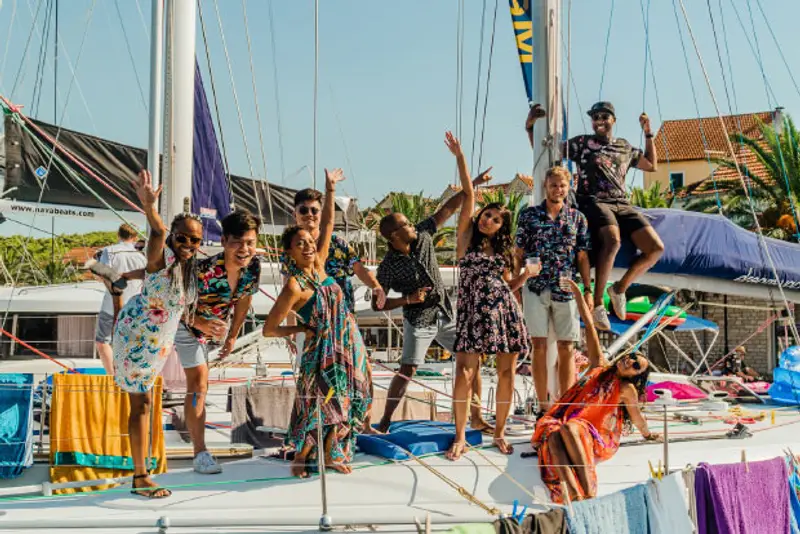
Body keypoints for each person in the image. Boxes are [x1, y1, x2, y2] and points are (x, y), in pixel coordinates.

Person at [263, 168, 371, 478]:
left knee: (353, 394)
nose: (309, 246)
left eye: (310, 242)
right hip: (321, 347)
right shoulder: (294, 285)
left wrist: (330, 189)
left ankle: (331, 450)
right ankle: (303, 454)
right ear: (290, 251)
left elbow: (326, 223)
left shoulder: (321, 262)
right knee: (317, 402)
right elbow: (269, 328)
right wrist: (300, 329)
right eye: (301, 244)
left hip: (347, 340)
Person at [526, 102, 664, 331]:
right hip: (593, 200)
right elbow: (546, 154)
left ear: (613, 120)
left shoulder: (624, 147)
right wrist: (530, 128)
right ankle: (599, 302)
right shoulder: (582, 144)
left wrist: (648, 133)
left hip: (622, 202)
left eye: (604, 116)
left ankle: (619, 288)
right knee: (613, 240)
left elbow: (651, 165)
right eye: (595, 117)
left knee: (656, 248)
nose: (599, 120)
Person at [373, 168, 492, 434]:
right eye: (405, 224)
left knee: (472, 359)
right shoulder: (388, 266)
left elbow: (447, 209)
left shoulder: (424, 235)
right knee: (407, 369)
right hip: (419, 320)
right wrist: (408, 299)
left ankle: (476, 416)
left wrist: (472, 184)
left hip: (445, 313)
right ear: (394, 236)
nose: (412, 226)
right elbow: (377, 305)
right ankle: (385, 421)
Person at [113, 169, 203, 499]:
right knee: (141, 405)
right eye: (183, 237)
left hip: (157, 343)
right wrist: (150, 208)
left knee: (146, 403)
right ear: (173, 238)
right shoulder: (161, 255)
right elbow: (157, 231)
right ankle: (140, 477)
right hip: (137, 336)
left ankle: (142, 471)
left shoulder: (187, 268)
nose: (189, 244)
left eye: (195, 239)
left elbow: (177, 305)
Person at [444, 131, 534, 460]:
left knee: (506, 372)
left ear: (501, 227)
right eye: (487, 215)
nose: (489, 220)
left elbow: (509, 287)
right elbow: (468, 192)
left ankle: (499, 432)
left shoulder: (505, 253)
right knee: (464, 372)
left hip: (503, 312)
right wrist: (460, 157)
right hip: (472, 314)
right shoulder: (465, 239)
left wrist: (525, 276)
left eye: (496, 219)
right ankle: (459, 436)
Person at [532, 279, 660, 503]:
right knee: (554, 435)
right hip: (567, 421)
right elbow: (590, 326)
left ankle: (589, 492)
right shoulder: (598, 366)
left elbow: (637, 416)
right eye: (631, 357)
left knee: (570, 428)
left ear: (635, 376)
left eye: (636, 366)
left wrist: (647, 434)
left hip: (597, 434)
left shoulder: (626, 388)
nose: (630, 362)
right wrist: (578, 294)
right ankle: (573, 493)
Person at [175, 209, 262, 475]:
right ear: (224, 241)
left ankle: (198, 443)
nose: (244, 249)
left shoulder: (253, 267)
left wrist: (233, 334)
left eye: (250, 242)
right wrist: (200, 324)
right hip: (185, 327)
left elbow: (245, 299)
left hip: (214, 332)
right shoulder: (201, 271)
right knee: (199, 384)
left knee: (199, 386)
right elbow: (175, 305)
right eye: (237, 242)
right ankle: (200, 453)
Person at [516, 166, 592, 412]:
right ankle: (543, 405)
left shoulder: (577, 218)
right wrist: (516, 284)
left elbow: (582, 257)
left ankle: (566, 404)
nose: (557, 189)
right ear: (545, 187)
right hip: (535, 287)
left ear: (568, 187)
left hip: (566, 287)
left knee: (567, 347)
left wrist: (588, 290)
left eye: (562, 186)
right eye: (553, 185)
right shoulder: (528, 216)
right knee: (538, 346)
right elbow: (517, 253)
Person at [282, 188, 386, 313]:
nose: (309, 214)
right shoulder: (290, 252)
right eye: (304, 210)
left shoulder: (338, 244)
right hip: (312, 323)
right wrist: (291, 329)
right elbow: (288, 293)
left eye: (314, 210)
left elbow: (359, 269)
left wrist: (376, 286)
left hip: (344, 319)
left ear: (321, 215)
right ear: (295, 215)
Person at [93, 223, 146, 374]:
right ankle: (130, 375)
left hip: (111, 304)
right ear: (135, 237)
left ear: (118, 235)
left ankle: (114, 378)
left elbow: (103, 276)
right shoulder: (141, 256)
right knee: (132, 342)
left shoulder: (109, 251)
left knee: (103, 342)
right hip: (135, 306)